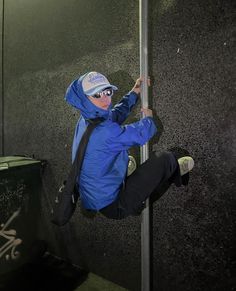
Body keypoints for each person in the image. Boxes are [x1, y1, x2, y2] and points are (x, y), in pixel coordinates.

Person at [64, 71, 194, 219]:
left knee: (122, 156)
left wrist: (135, 92)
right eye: (97, 95)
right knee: (163, 159)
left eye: (107, 91)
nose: (106, 99)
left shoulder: (86, 118)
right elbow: (140, 135)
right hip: (114, 205)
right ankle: (173, 171)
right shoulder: (105, 132)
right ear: (84, 99)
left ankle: (126, 177)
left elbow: (115, 115)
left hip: (95, 193)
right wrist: (149, 120)